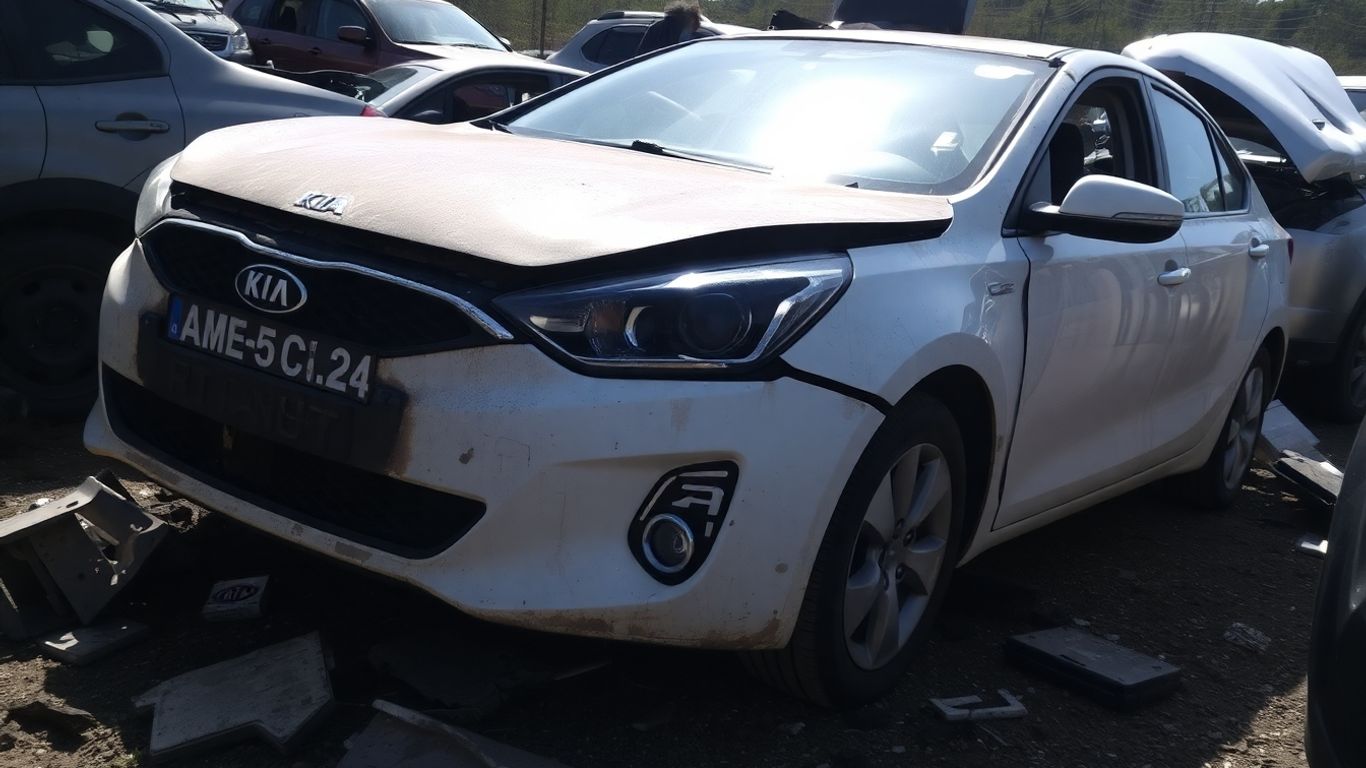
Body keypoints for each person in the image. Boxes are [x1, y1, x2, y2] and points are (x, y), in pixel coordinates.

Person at [636, 2, 709, 56]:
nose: (691, 33)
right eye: (692, 29)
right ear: (691, 21)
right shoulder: (667, 33)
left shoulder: (657, 27)